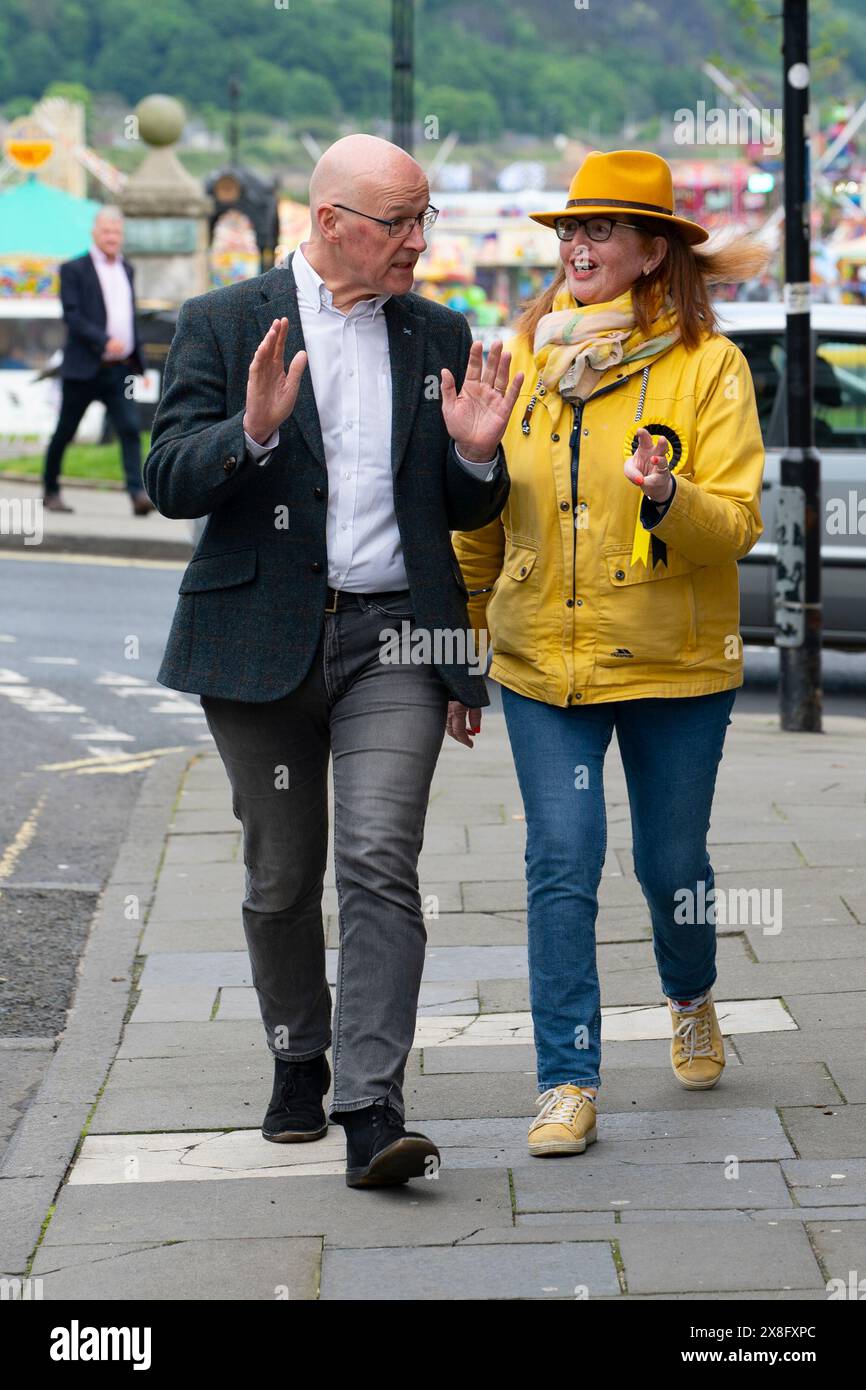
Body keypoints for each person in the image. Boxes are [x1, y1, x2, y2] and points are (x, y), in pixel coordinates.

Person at [143, 134, 522, 1189]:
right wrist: (250, 434)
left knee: (376, 861)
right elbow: (167, 475)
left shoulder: (436, 330)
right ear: (329, 224)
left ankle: (370, 1104)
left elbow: (460, 508)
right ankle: (295, 1055)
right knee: (279, 879)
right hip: (257, 638)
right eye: (399, 221)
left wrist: (477, 457)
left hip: (397, 637)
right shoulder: (224, 323)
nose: (417, 241)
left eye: (422, 219)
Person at [451, 150, 766, 1159]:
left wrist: (666, 497)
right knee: (560, 862)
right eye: (565, 232)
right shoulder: (530, 361)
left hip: (674, 663)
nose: (573, 247)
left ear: (650, 250)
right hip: (544, 658)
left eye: (598, 230)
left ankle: (689, 992)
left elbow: (737, 525)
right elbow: (482, 520)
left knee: (670, 864)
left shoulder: (706, 366)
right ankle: (565, 1080)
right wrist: (462, 637)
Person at [43, 207, 152, 515]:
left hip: (119, 371)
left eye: (116, 232)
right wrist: (104, 340)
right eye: (106, 231)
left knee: (130, 428)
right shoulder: (74, 269)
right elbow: (72, 317)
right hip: (84, 368)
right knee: (65, 431)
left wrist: (137, 360)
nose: (111, 237)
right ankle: (50, 489)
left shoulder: (126, 269)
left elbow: (128, 317)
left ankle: (137, 494)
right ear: (94, 233)